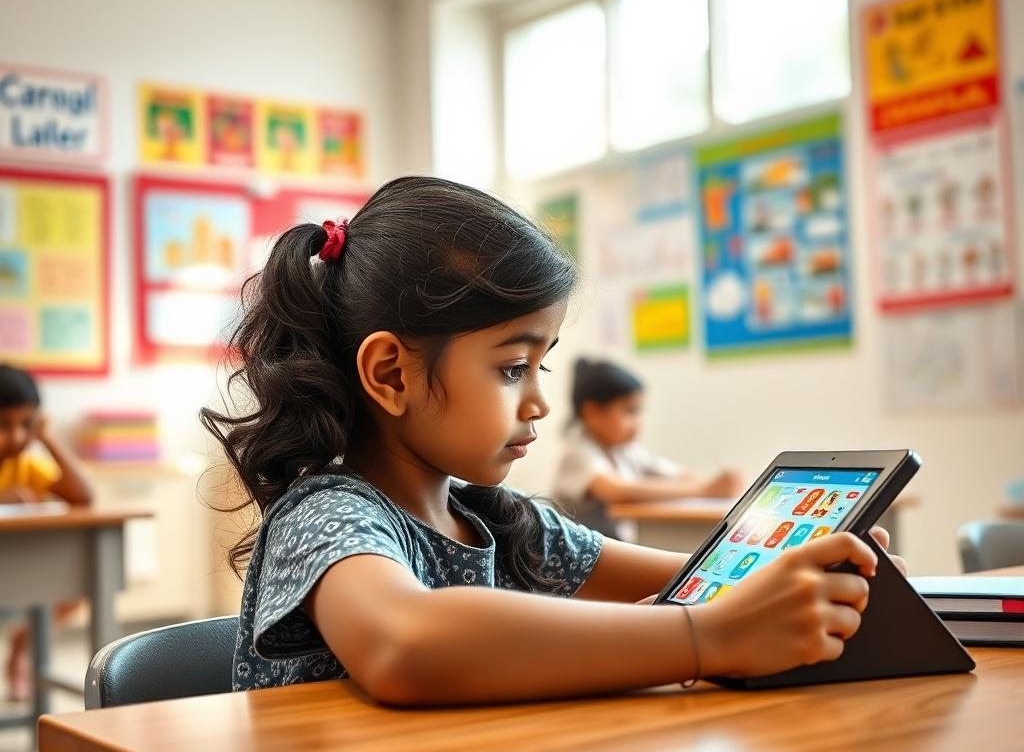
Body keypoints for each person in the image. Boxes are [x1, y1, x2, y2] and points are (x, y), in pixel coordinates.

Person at [202, 176, 904, 704]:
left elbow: (700, 579)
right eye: (513, 367)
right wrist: (705, 636)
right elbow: (405, 641)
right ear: (391, 374)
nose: (539, 399)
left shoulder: (506, 526)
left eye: (543, 364)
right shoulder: (327, 516)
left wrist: (805, 575)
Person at [552, 358, 742, 537]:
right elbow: (618, 492)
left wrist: (715, 483)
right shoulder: (577, 452)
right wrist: (705, 490)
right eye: (630, 411)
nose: (639, 423)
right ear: (592, 413)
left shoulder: (624, 450)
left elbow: (673, 474)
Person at [0, 364, 93, 701]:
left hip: (19, 570)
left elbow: (84, 495)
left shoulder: (24, 464)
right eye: (3, 425)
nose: (16, 438)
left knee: (76, 588)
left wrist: (49, 438)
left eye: (26, 425)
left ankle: (24, 641)